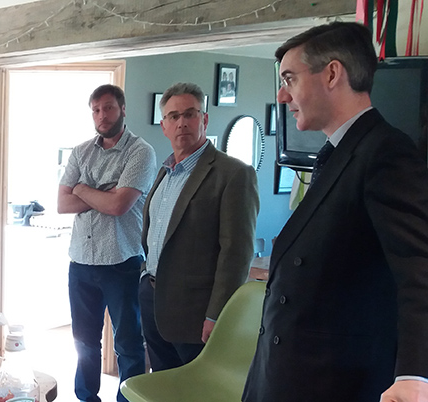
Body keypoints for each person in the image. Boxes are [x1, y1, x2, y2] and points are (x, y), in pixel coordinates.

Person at [243, 22, 428, 402]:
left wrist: (415, 375)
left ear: (332, 73)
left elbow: (420, 267)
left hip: (333, 380)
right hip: (289, 372)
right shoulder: (337, 153)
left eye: (290, 78)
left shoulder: (386, 152)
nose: (282, 95)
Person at [140, 82, 259, 372]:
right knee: (162, 385)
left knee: (196, 389)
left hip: (195, 312)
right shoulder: (164, 172)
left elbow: (237, 253)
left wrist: (217, 315)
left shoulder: (233, 174)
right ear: (164, 125)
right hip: (152, 298)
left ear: (204, 119)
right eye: (174, 116)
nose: (182, 123)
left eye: (190, 114)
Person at [58, 84, 156, 402]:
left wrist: (83, 189)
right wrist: (103, 191)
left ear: (123, 109)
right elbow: (62, 203)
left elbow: (119, 206)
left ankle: (130, 399)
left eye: (109, 107)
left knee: (127, 342)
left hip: (122, 261)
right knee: (84, 342)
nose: (102, 114)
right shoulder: (80, 151)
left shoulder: (140, 151)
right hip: (81, 261)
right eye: (96, 109)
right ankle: (87, 397)